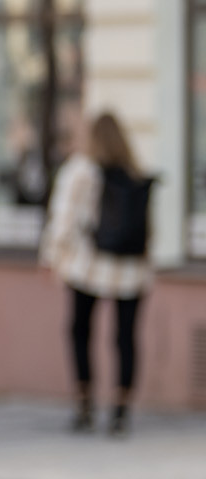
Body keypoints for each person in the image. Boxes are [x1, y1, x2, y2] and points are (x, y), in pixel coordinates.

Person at [40, 112, 152, 436]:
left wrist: (53, 257)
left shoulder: (80, 171)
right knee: (126, 338)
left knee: (80, 331)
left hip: (88, 266)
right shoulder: (135, 171)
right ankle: (121, 409)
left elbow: (63, 221)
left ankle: (84, 402)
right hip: (132, 268)